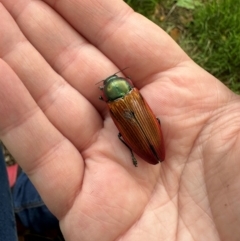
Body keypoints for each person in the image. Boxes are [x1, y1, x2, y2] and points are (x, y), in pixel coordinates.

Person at [0, 1, 239, 241]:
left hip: (143, 139)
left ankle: (21, 207)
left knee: (123, 133)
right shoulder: (133, 94)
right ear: (129, 85)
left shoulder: (113, 104)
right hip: (149, 134)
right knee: (141, 124)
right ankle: (23, 205)